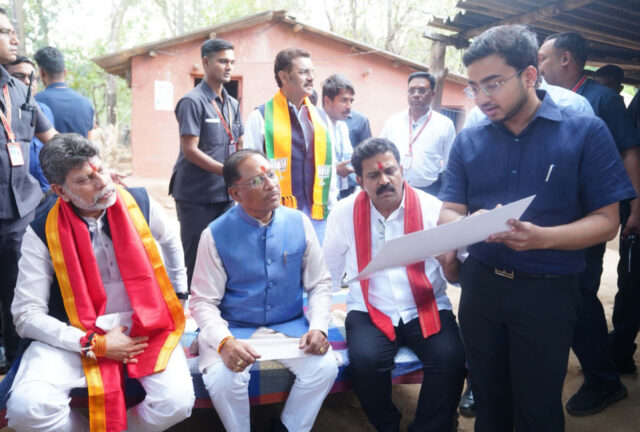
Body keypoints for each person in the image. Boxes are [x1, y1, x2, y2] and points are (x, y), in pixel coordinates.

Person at [439, 25, 635, 431]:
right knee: (489, 404)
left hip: (547, 292)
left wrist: (542, 238)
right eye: (474, 87)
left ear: (530, 75)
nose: (482, 97)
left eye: (493, 83)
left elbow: (607, 222)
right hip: (481, 289)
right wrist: (467, 226)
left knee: (538, 408)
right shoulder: (469, 140)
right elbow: (449, 211)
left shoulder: (584, 131)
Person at [7, 133, 194, 431]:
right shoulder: (42, 232)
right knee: (26, 409)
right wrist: (93, 344)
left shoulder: (140, 204)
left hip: (143, 327)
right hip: (74, 332)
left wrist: (179, 293)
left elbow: (171, 240)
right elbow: (26, 315)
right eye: (85, 179)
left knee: (177, 402)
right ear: (61, 191)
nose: (103, 182)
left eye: (101, 170)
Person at [190, 149, 338, 432]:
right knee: (224, 378)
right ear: (235, 194)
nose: (271, 184)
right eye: (258, 181)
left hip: (289, 328)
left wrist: (318, 327)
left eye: (271, 174)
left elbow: (319, 282)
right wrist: (224, 341)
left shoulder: (299, 222)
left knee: (325, 367)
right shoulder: (215, 234)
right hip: (234, 330)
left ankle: (287, 428)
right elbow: (203, 302)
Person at [323, 138, 466, 431]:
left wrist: (449, 261)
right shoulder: (343, 213)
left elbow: (458, 267)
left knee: (451, 358)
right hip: (370, 309)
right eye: (374, 175)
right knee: (365, 363)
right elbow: (328, 271)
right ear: (360, 180)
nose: (385, 180)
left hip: (426, 304)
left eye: (390, 171)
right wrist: (319, 321)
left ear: (401, 169)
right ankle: (387, 425)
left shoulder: (431, 207)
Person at [539, 31, 640, 415]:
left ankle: (603, 379)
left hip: (591, 216)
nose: (539, 65)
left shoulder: (602, 99)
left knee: (579, 295)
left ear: (565, 58)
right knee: (556, 295)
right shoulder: (542, 98)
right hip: (555, 216)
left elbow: (629, 152)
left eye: (543, 57)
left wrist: (636, 206)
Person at [0, 8, 56, 370]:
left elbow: (52, 138)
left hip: (20, 210)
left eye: (12, 31)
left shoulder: (20, 90)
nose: (14, 38)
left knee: (17, 292)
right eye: (5, 32)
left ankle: (16, 364)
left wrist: (90, 163)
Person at [170, 38, 243, 287]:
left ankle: (219, 304)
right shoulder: (192, 102)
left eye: (232, 62)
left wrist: (242, 171)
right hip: (196, 195)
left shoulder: (233, 104)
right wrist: (228, 172)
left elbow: (239, 142)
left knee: (225, 254)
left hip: (226, 194)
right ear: (205, 62)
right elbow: (190, 150)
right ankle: (195, 306)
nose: (229, 66)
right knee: (196, 257)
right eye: (223, 61)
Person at [243, 47, 336, 243]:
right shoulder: (260, 117)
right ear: (284, 76)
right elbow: (249, 172)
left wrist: (332, 206)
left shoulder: (321, 118)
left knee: (316, 261)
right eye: (303, 72)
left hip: (317, 213)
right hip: (276, 214)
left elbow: (331, 166)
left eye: (312, 72)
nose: (311, 78)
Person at [381, 72, 456, 197]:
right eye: (411, 91)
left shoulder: (445, 124)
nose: (416, 95)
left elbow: (450, 163)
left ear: (432, 94)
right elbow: (380, 153)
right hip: (394, 188)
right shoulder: (393, 122)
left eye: (422, 91)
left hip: (429, 190)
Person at [4, 55, 55, 192]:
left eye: (32, 77)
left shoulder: (45, 110)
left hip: (47, 191)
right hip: (16, 193)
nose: (27, 82)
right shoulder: (4, 110)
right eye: (19, 76)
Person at [33, 46, 94, 138]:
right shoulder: (86, 104)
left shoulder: (34, 102)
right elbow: (88, 142)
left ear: (41, 72)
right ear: (65, 72)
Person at [320, 74, 357, 199]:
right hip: (320, 195)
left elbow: (348, 158)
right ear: (327, 101)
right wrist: (334, 170)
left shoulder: (342, 126)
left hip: (341, 193)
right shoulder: (315, 125)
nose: (349, 106)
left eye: (351, 101)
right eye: (344, 100)